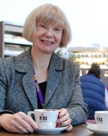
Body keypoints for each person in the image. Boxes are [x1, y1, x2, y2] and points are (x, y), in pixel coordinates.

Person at [0, 4, 88, 134]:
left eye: (57, 29)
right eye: (43, 26)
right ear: (32, 29)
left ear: (62, 34)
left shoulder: (70, 69)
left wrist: (68, 115)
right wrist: (3, 118)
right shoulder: (6, 67)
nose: (49, 34)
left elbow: (81, 108)